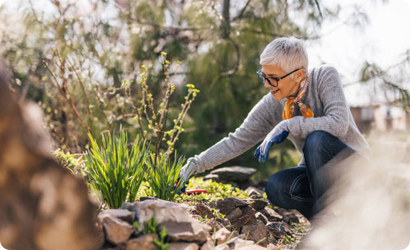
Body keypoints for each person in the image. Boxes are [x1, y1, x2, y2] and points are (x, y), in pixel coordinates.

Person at [179, 37, 371, 219]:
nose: (267, 84)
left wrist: (289, 124)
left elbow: (338, 124)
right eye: (263, 76)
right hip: (320, 180)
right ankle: (330, 228)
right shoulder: (272, 103)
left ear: (299, 75)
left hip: (357, 170)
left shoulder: (324, 76)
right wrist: (194, 165)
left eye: (273, 78)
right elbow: (236, 141)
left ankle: (328, 223)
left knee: (317, 139)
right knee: (277, 186)